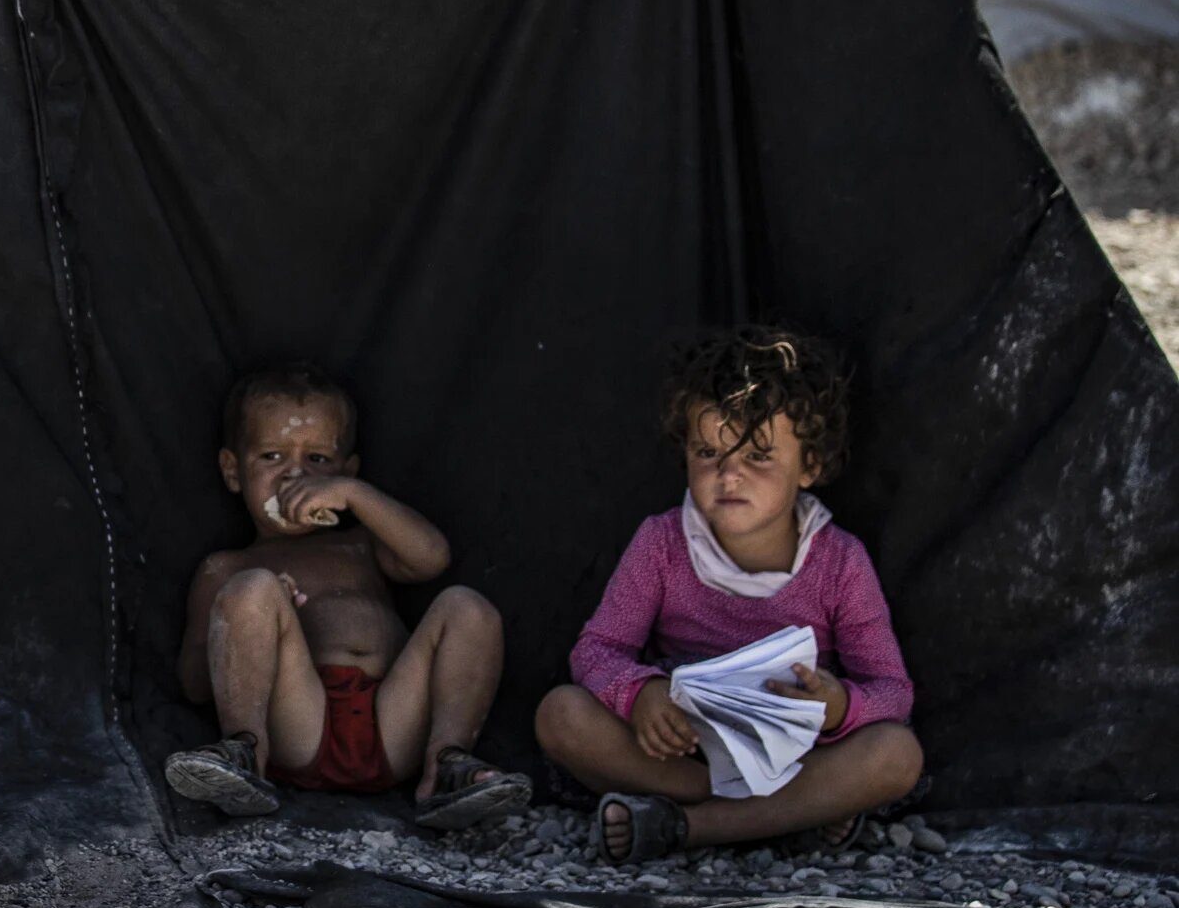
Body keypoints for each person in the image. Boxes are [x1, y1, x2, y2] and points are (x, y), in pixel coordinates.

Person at [535, 328, 924, 863]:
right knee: (560, 714)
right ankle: (783, 817)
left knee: (897, 755)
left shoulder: (839, 561)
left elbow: (892, 690)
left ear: (809, 466)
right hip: (684, 756)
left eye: (759, 455)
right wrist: (640, 695)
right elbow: (597, 651)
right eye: (708, 451)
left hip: (798, 755)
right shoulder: (663, 543)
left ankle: (687, 827)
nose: (729, 473)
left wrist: (838, 708)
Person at [165, 366, 530, 828]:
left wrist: (355, 497)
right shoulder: (228, 567)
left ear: (347, 472)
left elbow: (433, 557)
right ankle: (244, 755)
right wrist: (258, 621)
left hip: (392, 723)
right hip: (298, 725)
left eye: (318, 461)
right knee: (253, 588)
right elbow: (195, 684)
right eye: (272, 456)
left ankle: (446, 768)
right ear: (233, 471)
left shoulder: (360, 545)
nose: (295, 474)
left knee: (467, 606)